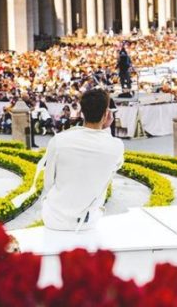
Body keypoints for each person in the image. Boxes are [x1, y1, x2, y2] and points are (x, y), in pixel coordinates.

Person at [41, 88, 124, 231]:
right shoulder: (116, 146)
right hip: (89, 222)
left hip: (54, 219)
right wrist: (105, 128)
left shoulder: (59, 140)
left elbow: (48, 183)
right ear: (106, 114)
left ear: (81, 112)